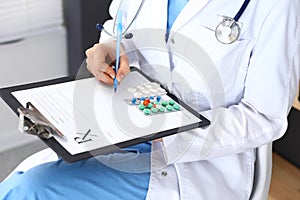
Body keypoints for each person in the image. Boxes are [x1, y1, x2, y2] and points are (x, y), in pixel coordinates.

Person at [1, 0, 299, 199]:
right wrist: (104, 51)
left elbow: (264, 117)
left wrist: (167, 132)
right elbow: (116, 30)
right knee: (22, 184)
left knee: (30, 190)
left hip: (196, 163)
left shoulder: (276, 5)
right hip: (119, 128)